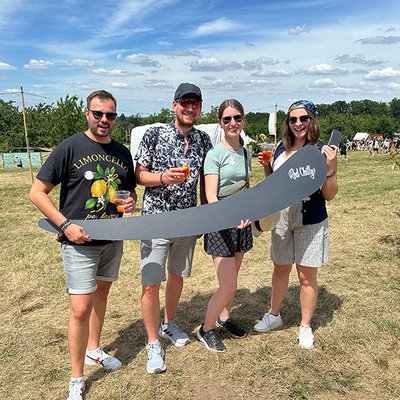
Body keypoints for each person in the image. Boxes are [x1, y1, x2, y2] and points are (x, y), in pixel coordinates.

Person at [29, 90, 136, 400]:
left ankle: (94, 348)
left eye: (110, 115)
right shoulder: (70, 147)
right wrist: (65, 226)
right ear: (87, 114)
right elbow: (36, 192)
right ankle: (76, 377)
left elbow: (128, 193)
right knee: (79, 309)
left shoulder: (122, 152)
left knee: (101, 296)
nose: (104, 120)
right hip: (78, 242)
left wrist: (129, 204)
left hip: (112, 239)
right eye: (98, 113)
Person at [134, 83, 212, 373]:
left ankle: (168, 323)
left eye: (195, 104)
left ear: (200, 108)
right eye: (185, 103)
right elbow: (139, 175)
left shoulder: (203, 140)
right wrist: (163, 177)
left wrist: (205, 215)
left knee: (177, 276)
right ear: (174, 105)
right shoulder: (155, 134)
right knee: (151, 282)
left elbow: (206, 180)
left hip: (187, 221)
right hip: (155, 220)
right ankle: (153, 342)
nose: (190, 108)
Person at [253, 100, 338, 349]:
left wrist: (331, 169)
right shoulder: (281, 147)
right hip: (281, 217)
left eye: (303, 118)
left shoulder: (322, 151)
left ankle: (305, 325)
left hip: (310, 216)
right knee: (280, 268)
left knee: (306, 276)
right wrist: (267, 168)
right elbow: (275, 184)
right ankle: (274, 315)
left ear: (312, 120)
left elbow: (329, 194)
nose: (298, 123)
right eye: (293, 119)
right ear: (288, 123)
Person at [196, 99, 252, 352]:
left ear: (243, 120)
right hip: (222, 223)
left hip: (242, 222)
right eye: (227, 119)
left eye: (237, 118)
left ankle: (225, 317)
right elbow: (211, 196)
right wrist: (230, 218)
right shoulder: (214, 154)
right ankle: (206, 329)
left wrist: (249, 213)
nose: (233, 123)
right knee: (228, 284)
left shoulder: (245, 152)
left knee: (233, 278)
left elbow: (245, 188)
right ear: (220, 123)